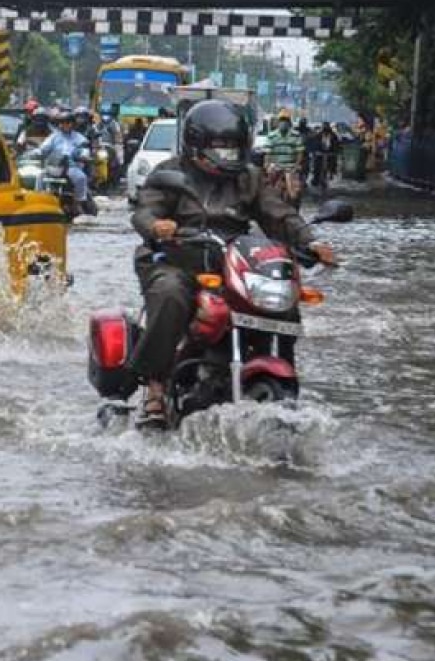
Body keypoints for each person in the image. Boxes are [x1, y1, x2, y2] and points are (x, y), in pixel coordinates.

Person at [127, 100, 336, 424]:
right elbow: (145, 210)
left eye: (235, 149)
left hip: (230, 262)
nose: (229, 156)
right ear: (195, 146)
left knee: (281, 298)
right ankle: (155, 386)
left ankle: (278, 366)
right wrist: (157, 226)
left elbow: (278, 215)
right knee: (170, 293)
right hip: (176, 258)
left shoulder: (249, 178)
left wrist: (310, 241)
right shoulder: (169, 174)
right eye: (221, 149)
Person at [28, 108, 91, 217]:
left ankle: (78, 203)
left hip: (71, 167)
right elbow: (44, 148)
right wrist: (35, 153)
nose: (63, 125)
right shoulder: (53, 137)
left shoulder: (80, 138)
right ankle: (38, 202)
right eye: (61, 123)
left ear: (72, 124)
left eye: (66, 122)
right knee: (39, 176)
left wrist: (83, 155)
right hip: (53, 166)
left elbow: (84, 149)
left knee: (81, 178)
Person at [264, 109, 304, 204]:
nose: (283, 123)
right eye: (281, 121)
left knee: (294, 193)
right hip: (276, 166)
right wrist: (267, 164)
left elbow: (299, 153)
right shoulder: (271, 136)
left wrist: (296, 165)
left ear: (289, 123)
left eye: (285, 121)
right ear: (278, 122)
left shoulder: (296, 135)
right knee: (268, 191)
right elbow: (268, 153)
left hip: (291, 167)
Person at [311, 122, 341, 188]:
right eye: (324, 131)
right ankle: (316, 179)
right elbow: (314, 144)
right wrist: (316, 151)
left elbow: (336, 145)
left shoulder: (333, 136)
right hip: (320, 154)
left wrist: (334, 152)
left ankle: (331, 173)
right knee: (317, 166)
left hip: (330, 154)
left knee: (332, 164)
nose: (326, 133)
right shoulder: (318, 135)